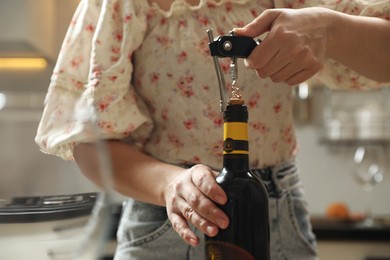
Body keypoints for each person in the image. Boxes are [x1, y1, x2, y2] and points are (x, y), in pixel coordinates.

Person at [35, 0, 390, 259]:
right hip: (164, 224)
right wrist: (170, 185)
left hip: (276, 219)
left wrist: (330, 27)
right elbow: (86, 139)